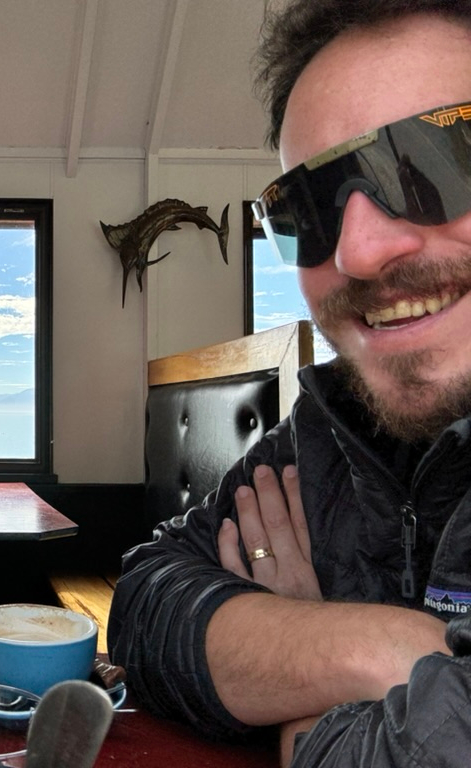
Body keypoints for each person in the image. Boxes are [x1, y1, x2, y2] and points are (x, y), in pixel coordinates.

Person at [108, 1, 471, 766]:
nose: (357, 252)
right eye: (307, 209)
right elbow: (144, 602)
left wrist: (301, 702)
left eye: (430, 165)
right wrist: (385, 647)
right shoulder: (340, 427)